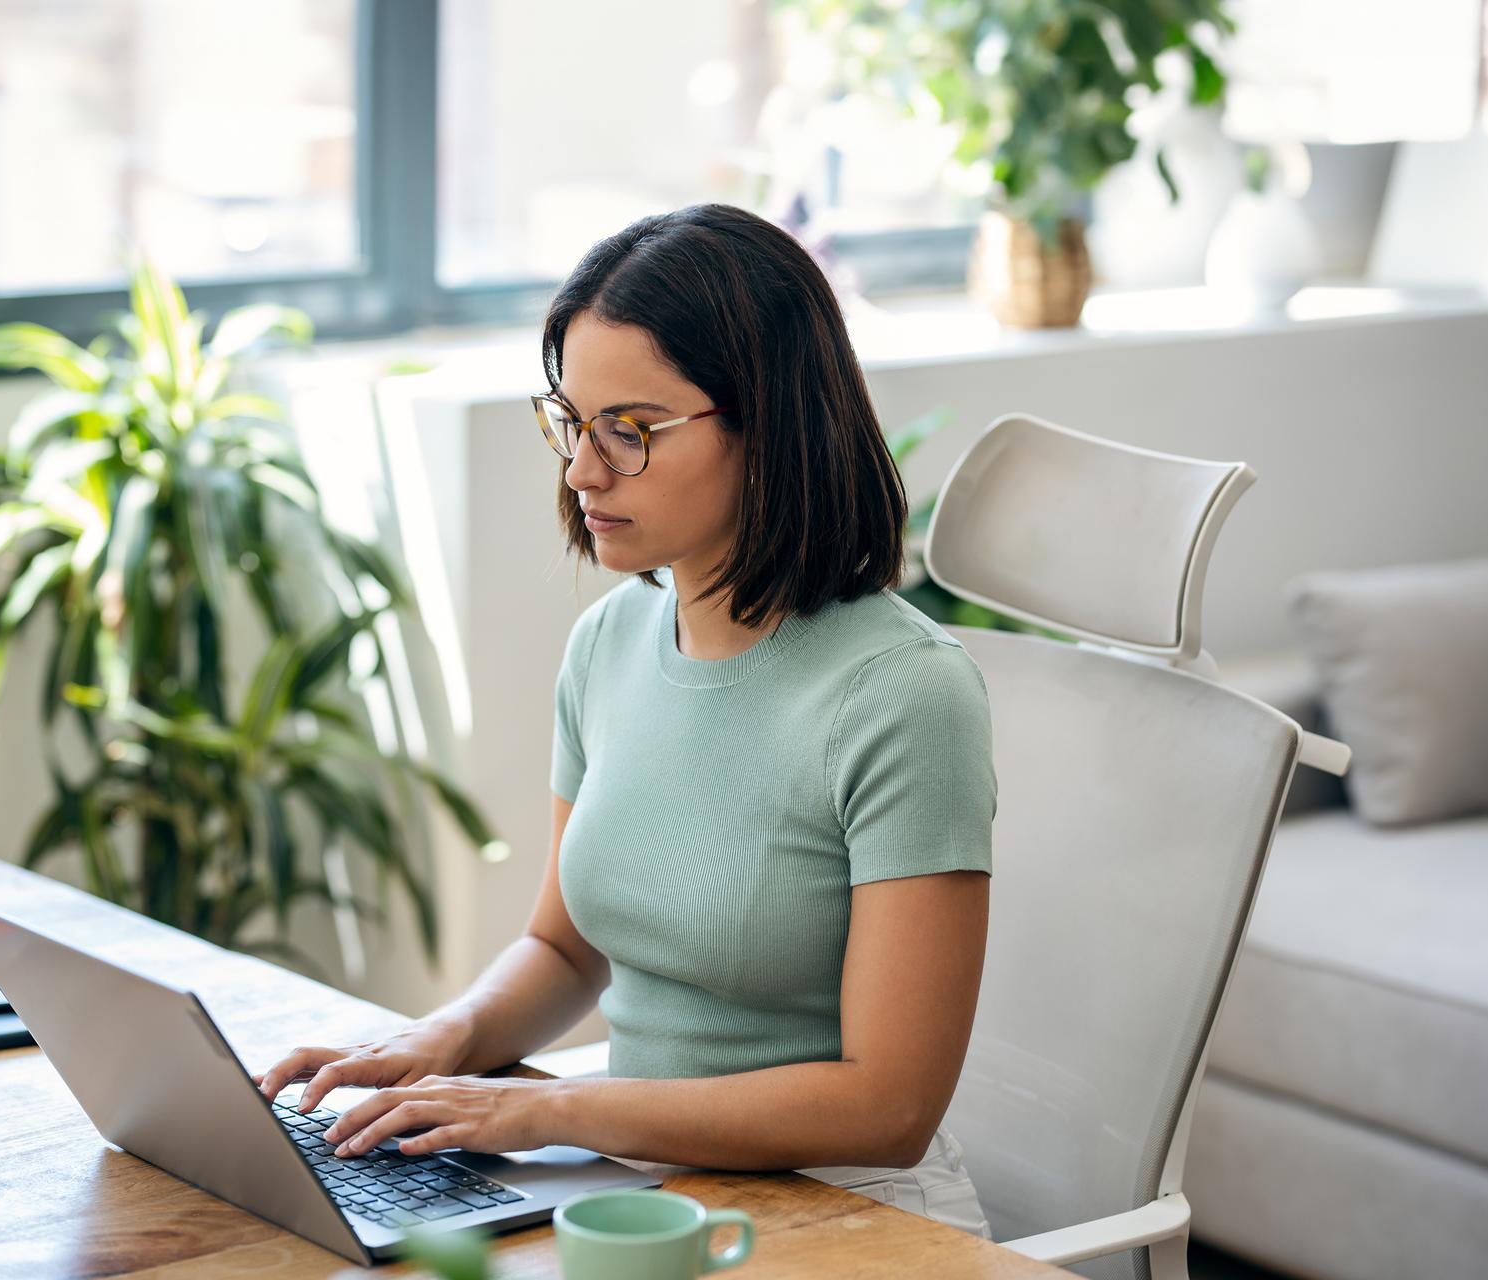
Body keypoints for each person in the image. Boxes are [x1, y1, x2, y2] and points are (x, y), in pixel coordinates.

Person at [254, 202, 996, 1239]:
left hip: (850, 1217)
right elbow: (564, 948)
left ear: (769, 425)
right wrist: (446, 1036)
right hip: (637, 1196)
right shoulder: (610, 644)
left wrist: (542, 1106)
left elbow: (891, 1105)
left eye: (632, 431)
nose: (582, 471)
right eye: (572, 420)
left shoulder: (905, 693)